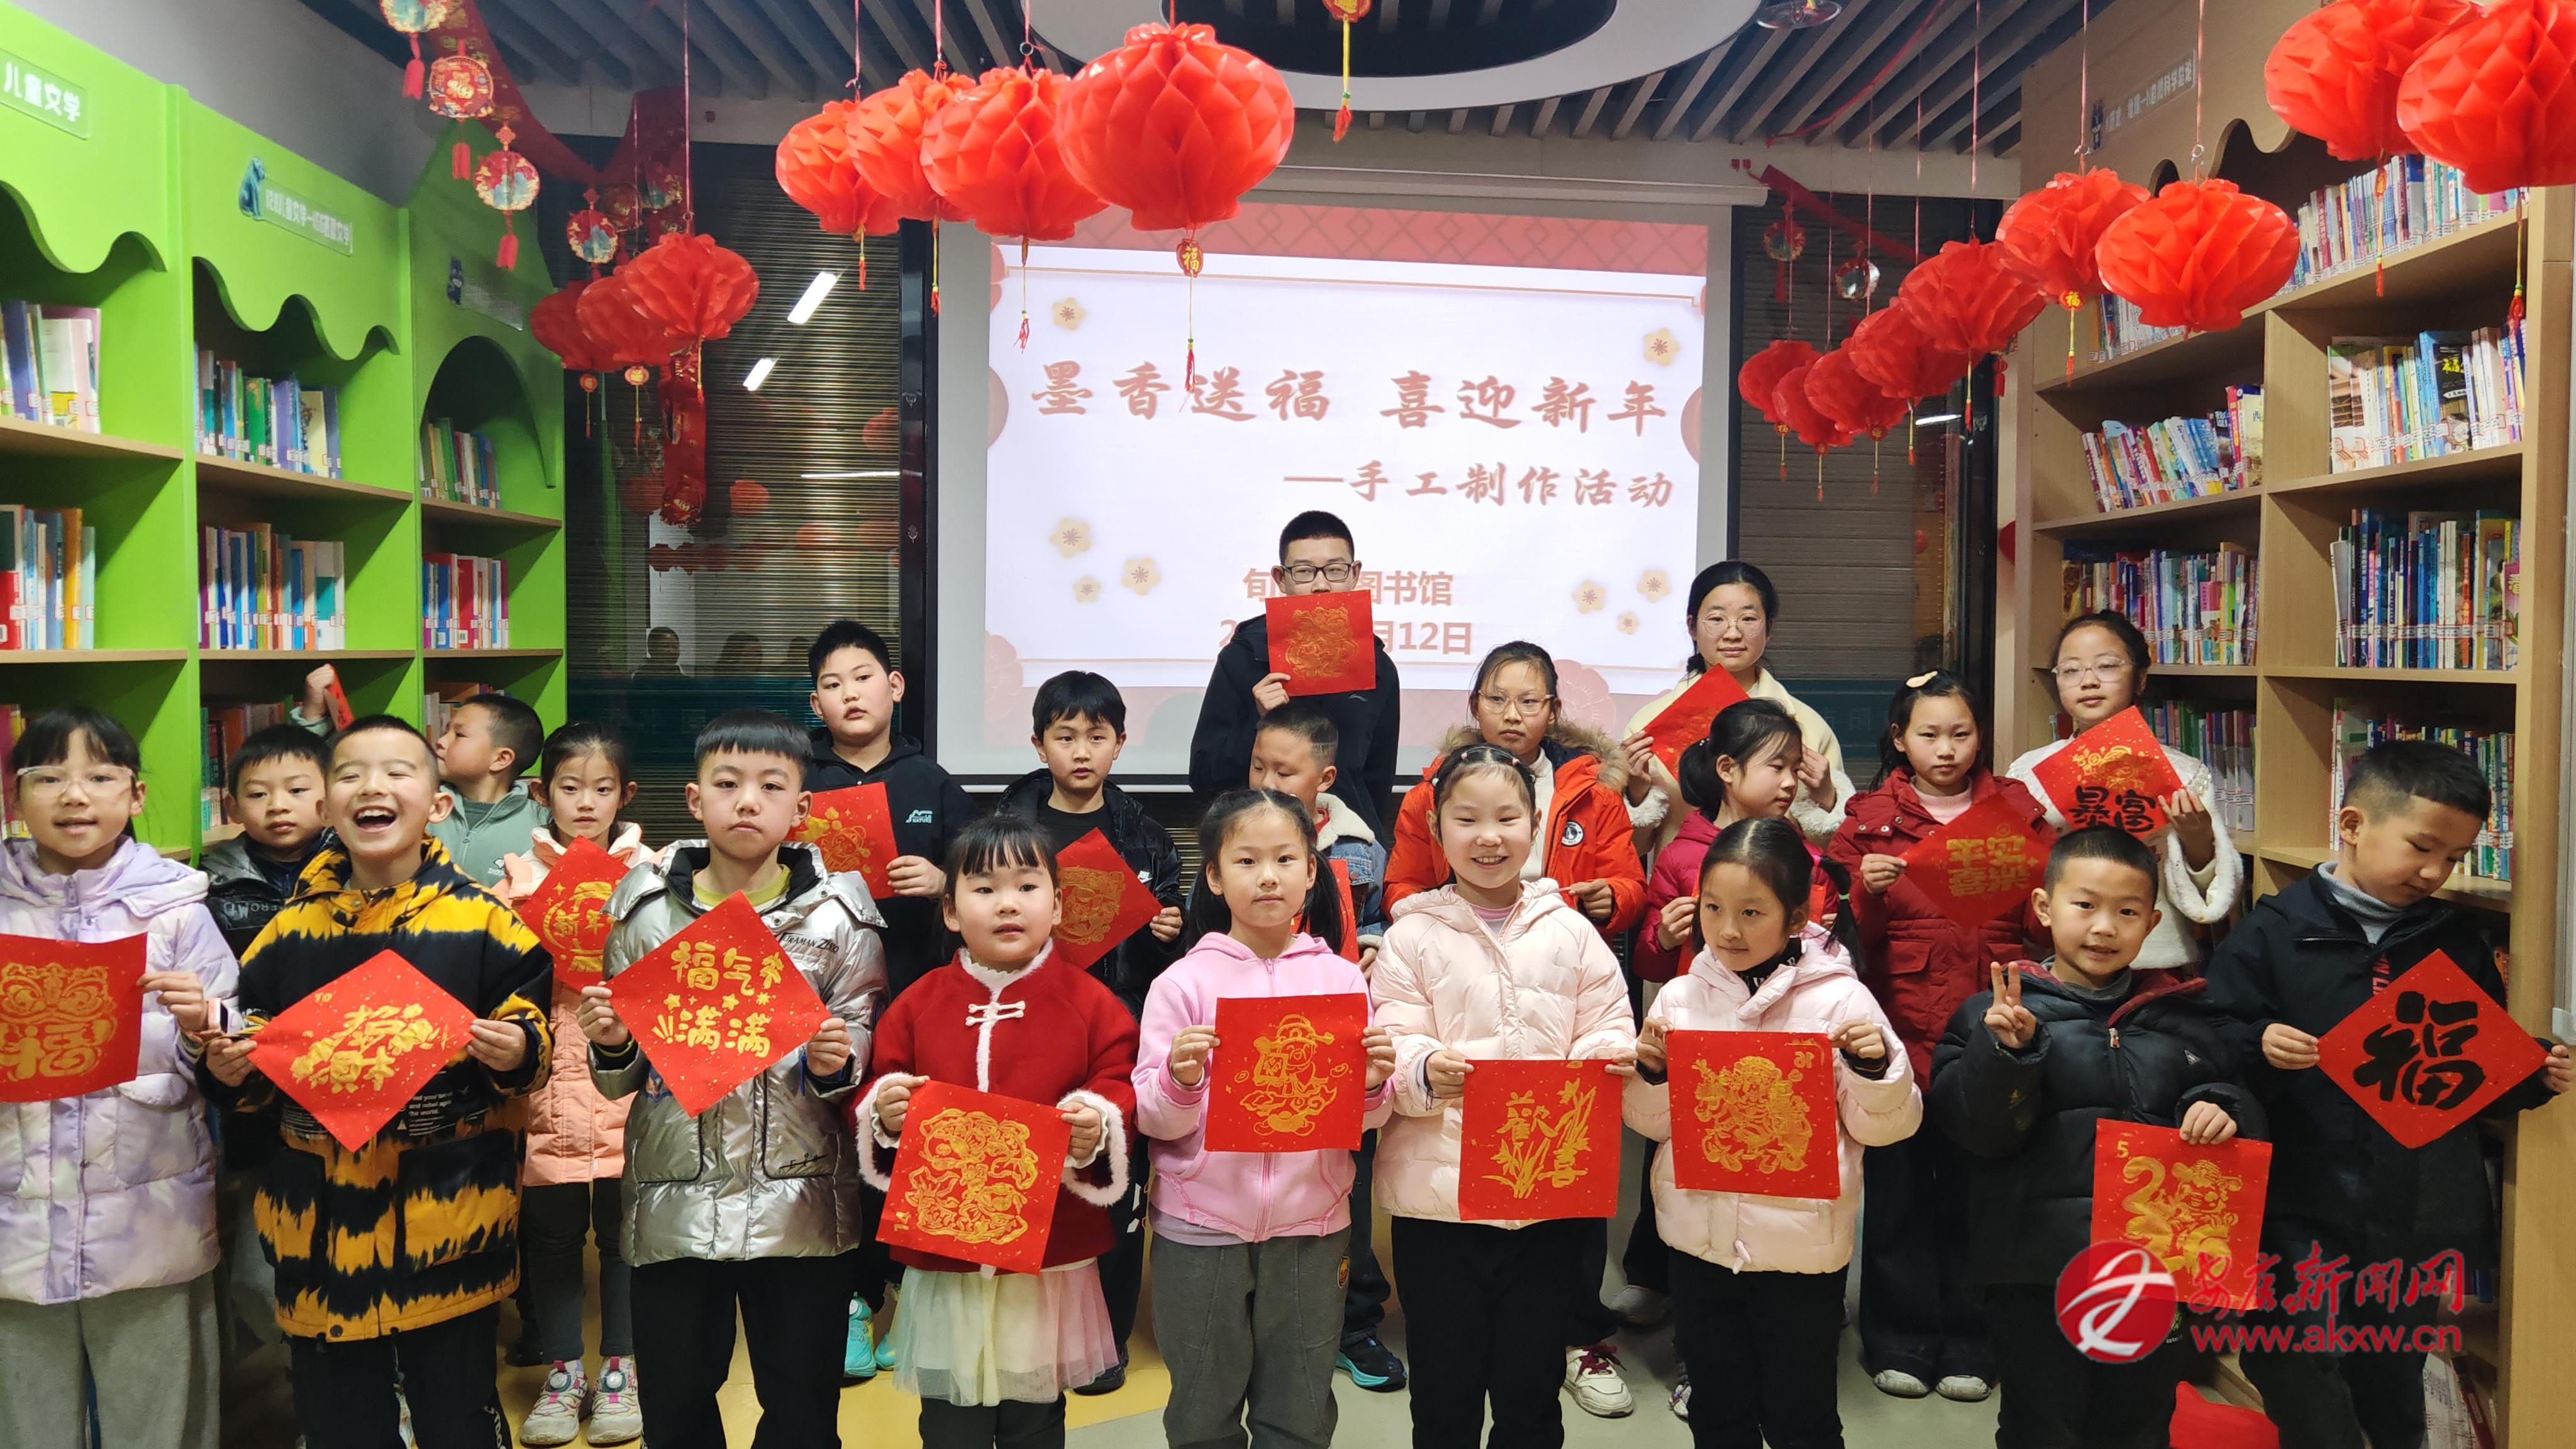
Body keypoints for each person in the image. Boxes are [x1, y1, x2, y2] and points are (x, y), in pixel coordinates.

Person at [2201, 741, 2571, 1449]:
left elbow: (2469, 1072)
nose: (2434, 872)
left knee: (2393, 1366)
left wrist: (2531, 1077)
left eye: (2454, 858)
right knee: (2294, 1358)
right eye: (2421, 848)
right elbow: (2209, 1033)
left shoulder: (2454, 941)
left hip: (2408, 1201)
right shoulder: (2275, 930)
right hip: (2296, 1194)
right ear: (2351, 825)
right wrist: (2258, 1043)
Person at [198, 715, 553, 1449]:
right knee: (340, 1425)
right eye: (351, 774)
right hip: (317, 1228)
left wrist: (517, 1048)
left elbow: (532, 1037)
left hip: (447, 1221)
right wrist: (230, 1070)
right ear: (327, 805)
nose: (372, 787)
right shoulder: (288, 931)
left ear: (439, 803)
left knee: (457, 1417)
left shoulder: (487, 922)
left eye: (398, 772)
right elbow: (257, 1046)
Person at [575, 709, 887, 1449]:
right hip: (674, 1201)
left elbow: (862, 1044)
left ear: (800, 808)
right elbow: (619, 1082)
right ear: (694, 799)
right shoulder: (644, 914)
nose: (748, 801)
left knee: (803, 1405)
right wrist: (613, 1045)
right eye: (727, 783)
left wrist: (836, 1060)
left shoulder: (839, 918)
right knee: (676, 1403)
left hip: (801, 1204)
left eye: (771, 786)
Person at [1928, 827, 2263, 1449]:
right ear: (2044, 907)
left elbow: (2237, 1104)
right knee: (2042, 1425)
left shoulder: (2184, 1019)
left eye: (2127, 912)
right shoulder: (1992, 1015)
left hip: (2150, 1270)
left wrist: (2224, 1110)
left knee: (2138, 1423)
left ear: (2153, 922)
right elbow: (1975, 1134)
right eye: (2085, 905)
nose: (2104, 928)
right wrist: (2007, 1055)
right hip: (2035, 1272)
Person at [1371, 743, 1638, 1448]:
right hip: (1440, 1205)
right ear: (1437, 830)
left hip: (1546, 1201)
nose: (1488, 837)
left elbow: (1609, 1023)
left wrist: (1604, 1057)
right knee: (1444, 1391)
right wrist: (1423, 1070)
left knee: (1531, 1390)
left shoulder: (1571, 930)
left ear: (1535, 823)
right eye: (1467, 820)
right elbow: (1393, 1041)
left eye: (1507, 818)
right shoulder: (1410, 937)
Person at [1624, 817, 1921, 1449]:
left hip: (1801, 1253)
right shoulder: (1679, 999)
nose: (1728, 930)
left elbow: (1889, 1126)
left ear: (1796, 918)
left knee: (1801, 1418)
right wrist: (1649, 1075)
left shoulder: (1841, 1003)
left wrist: (1874, 1071)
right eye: (1712, 908)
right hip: (1698, 1243)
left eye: (1751, 912)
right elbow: (1650, 1124)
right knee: (1716, 1412)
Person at [856, 816, 1140, 1449]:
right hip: (946, 1253)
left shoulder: (1090, 1002)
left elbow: (1118, 1080)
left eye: (1027, 886)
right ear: (951, 911)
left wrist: (1095, 1121)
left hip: (1046, 1254)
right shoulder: (919, 1000)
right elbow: (879, 1079)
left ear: (1057, 905)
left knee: (1034, 1412)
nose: (1007, 903)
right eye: (984, 889)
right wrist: (885, 1110)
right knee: (948, 1417)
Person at [0, 706, 237, 1449]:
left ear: (135, 795)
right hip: (15, 1219)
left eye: (100, 777)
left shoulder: (177, 909)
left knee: (158, 1413)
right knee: (26, 1415)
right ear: (14, 796)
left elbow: (230, 1043)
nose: (75, 796)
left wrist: (205, 1022)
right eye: (48, 778)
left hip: (149, 1217)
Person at [1135, 789, 1397, 1449]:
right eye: (1246, 861)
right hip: (1200, 1227)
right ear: (1215, 876)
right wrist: (1180, 1079)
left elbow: (1366, 1120)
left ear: (1312, 872)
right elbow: (1154, 1118)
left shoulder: (1342, 982)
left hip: (1313, 1223)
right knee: (1201, 1405)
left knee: (1301, 1404)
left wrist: (1372, 1085)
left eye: (1285, 859)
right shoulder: (1182, 985)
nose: (1269, 877)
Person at [1621, 698, 1850, 1415]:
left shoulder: (1801, 857)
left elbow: (1830, 955)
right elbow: (1649, 959)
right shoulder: (1682, 853)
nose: (1789, 781)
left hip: (1781, 1053)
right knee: (1688, 1186)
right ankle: (1693, 1342)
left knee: (1772, 1184)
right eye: (1776, 766)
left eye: (1794, 768)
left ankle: (1776, 1345)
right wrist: (1664, 932)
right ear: (1727, 769)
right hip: (1697, 1041)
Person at [1826, 672, 2048, 1404]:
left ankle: (1971, 1340)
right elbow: (1839, 940)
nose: (1945, 749)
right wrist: (1867, 890)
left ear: (1980, 736)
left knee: (1977, 1193)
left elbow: (2047, 923)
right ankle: (1899, 1337)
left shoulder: (2015, 811)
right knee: (1896, 1192)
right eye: (1928, 734)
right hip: (1896, 1027)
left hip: (1992, 1027)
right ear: (1899, 739)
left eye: (1960, 733)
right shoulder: (1867, 821)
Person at [802, 618, 980, 1379]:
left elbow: (983, 884)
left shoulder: (932, 783)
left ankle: (913, 1295)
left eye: (864, 677)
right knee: (838, 1151)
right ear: (816, 702)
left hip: (915, 993)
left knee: (913, 1143)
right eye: (832, 684)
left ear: (895, 687)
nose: (850, 694)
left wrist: (943, 883)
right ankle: (850, 1300)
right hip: (824, 1002)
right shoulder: (797, 780)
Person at [996, 669, 1184, 1392]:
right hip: (1025, 1032)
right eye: (1065, 736)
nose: (1081, 751)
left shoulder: (1146, 835)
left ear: (1120, 744)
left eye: (1096, 737)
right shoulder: (1005, 831)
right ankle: (1025, 1334)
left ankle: (1102, 1342)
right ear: (1037, 742)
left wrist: (1167, 932)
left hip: (1116, 1037)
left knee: (1111, 1187)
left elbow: (1172, 955)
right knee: (1029, 1181)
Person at [489, 723, 654, 1446]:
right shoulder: (515, 881)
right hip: (548, 1085)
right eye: (569, 788)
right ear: (541, 792)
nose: (585, 803)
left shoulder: (654, 875)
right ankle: (562, 1371)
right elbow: (492, 977)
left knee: (625, 1234)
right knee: (551, 1236)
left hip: (627, 1078)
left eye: (602, 788)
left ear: (626, 794)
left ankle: (621, 1367)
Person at [1243, 704, 1405, 1391]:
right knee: (1258, 1174)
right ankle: (1258, 1315)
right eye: (1258, 766)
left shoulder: (1359, 847)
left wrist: (1372, 948)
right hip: (1254, 1044)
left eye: (1284, 771)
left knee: (1348, 1180)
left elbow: (1383, 922)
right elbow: (1204, 923)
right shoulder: (1234, 835)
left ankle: (1354, 1322)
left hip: (1334, 1043)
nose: (1267, 781)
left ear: (1325, 779)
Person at [2004, 610, 2239, 970]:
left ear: (2140, 678)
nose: (2088, 681)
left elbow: (2214, 896)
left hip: (2152, 957)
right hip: (2057, 959)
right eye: (2071, 670)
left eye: (2107, 666)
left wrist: (2199, 842)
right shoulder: (2028, 771)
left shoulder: (2183, 774)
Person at [1382, 640, 1646, 944]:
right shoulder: (1433, 793)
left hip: (1562, 946)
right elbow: (1403, 886)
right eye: (1496, 699)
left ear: (1553, 711)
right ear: (1475, 706)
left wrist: (1611, 898)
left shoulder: (1593, 793)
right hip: (1458, 944)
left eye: (1529, 702)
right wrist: (1433, 919)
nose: (1512, 715)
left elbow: (1631, 886)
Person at [1190, 510, 1402, 840]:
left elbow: (1377, 779)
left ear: (1355, 574)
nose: (1321, 585)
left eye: (1335, 570)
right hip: (1258, 837)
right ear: (1281, 578)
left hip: (1345, 843)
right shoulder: (1243, 658)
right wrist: (1257, 720)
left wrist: (1363, 846)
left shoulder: (1379, 669)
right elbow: (1204, 776)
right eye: (1304, 572)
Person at [1622, 561, 1853, 850]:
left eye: (1748, 619)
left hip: (1777, 875)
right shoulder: (1649, 724)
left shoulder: (1808, 725)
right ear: (1692, 627)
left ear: (1769, 628)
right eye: (1717, 619)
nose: (1732, 633)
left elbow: (1835, 851)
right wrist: (1637, 795)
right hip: (1683, 878)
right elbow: (1632, 848)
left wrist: (1827, 799)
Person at [204, 723, 335, 957]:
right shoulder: (214, 880)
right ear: (233, 808)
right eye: (258, 794)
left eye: (296, 790)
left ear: (332, 799)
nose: (278, 806)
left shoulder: (352, 866)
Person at [430, 693, 549, 889]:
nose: (441, 741)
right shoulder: (424, 807)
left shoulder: (542, 826)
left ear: (501, 759)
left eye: (459, 735)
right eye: (445, 731)